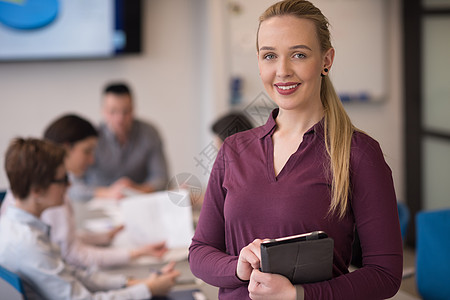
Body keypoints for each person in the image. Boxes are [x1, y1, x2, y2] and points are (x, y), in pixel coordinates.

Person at [188, 1, 403, 299]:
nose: (282, 70)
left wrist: (299, 294)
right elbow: (199, 252)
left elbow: (385, 275)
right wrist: (238, 267)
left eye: (299, 54)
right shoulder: (234, 149)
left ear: (326, 60)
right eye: (269, 56)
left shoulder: (359, 154)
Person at [0, 138, 180, 300]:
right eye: (63, 179)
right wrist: (147, 290)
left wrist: (137, 283)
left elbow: (71, 273)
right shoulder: (30, 245)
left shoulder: (17, 226)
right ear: (37, 191)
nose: (69, 185)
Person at [1, 114, 169, 268]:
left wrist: (105, 236)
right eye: (87, 151)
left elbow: (63, 241)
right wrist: (134, 254)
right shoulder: (50, 194)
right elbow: (72, 254)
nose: (91, 159)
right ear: (66, 149)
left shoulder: (31, 180)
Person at [86, 82, 169, 198]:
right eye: (113, 111)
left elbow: (161, 178)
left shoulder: (149, 133)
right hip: (100, 203)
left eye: (126, 111)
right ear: (103, 111)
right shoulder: (91, 138)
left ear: (133, 109)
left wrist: (137, 190)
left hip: (139, 201)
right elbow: (74, 186)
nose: (120, 119)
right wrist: (108, 193)